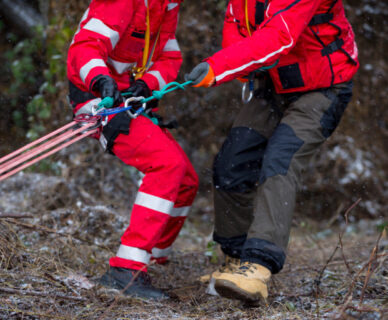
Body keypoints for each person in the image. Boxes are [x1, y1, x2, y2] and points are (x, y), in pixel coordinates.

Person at [185, 0, 358, 304]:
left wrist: (218, 67)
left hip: (323, 89)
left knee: (280, 161)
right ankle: (236, 260)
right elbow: (237, 37)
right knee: (230, 164)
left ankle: (259, 266)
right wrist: (230, 65)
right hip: (274, 87)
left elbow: (280, 37)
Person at [67, 0, 198, 299]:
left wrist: (146, 84)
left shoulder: (167, 6)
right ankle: (127, 269)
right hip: (97, 99)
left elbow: (169, 56)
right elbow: (84, 48)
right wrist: (101, 80)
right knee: (167, 165)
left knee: (187, 181)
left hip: (128, 96)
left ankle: (155, 258)